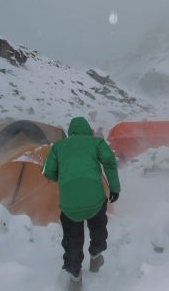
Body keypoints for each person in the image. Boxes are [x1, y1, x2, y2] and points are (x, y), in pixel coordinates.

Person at [42, 117, 120, 287]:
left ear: (71, 131)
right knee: (98, 227)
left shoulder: (58, 147)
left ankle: (75, 276)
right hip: (95, 198)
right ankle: (95, 257)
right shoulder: (96, 143)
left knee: (73, 238)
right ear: (87, 129)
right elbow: (110, 162)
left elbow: (48, 172)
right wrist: (114, 188)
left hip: (69, 203)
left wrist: (62, 178)